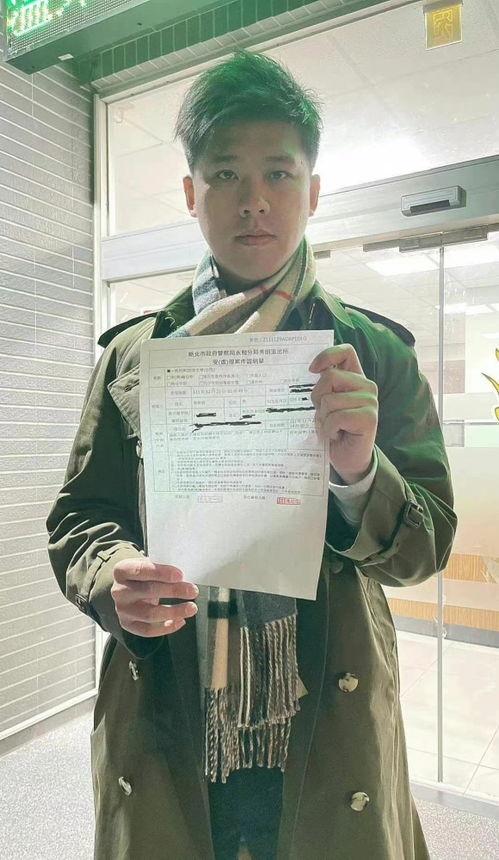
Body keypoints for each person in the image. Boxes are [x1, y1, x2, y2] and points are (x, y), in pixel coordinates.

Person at [46, 51, 457, 860]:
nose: (254, 200)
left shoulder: (373, 353)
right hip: (170, 711)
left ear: (313, 189)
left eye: (278, 172)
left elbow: (425, 545)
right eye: (226, 174)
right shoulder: (135, 355)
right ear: (191, 193)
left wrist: (358, 473)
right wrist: (113, 576)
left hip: (325, 720)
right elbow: (80, 517)